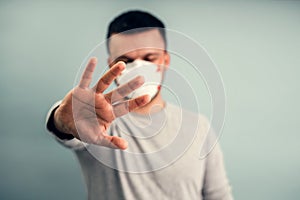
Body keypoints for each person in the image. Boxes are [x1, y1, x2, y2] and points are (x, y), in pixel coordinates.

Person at [46, 10, 233, 200]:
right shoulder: (97, 124)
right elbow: (68, 130)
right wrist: (61, 120)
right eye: (126, 61)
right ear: (112, 65)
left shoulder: (198, 126)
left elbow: (218, 195)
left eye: (149, 58)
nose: (139, 68)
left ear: (165, 61)